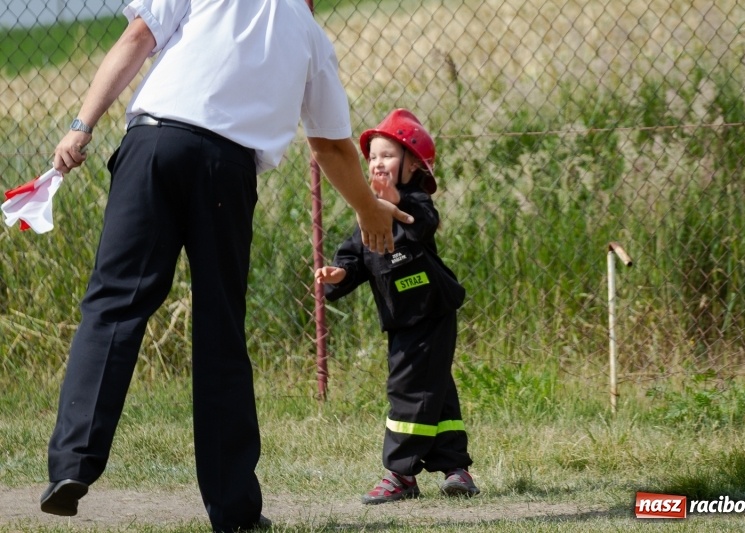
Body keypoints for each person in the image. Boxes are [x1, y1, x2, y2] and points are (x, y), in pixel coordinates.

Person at [40, 1, 412, 531]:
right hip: (225, 168)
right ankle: (234, 511)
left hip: (153, 146)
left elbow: (136, 39)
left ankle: (72, 466)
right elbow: (331, 145)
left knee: (113, 306)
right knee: (220, 333)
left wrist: (82, 125)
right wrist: (366, 207)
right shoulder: (310, 37)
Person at [315, 109, 480, 504]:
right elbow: (355, 255)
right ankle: (456, 468)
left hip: (432, 311)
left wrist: (395, 201)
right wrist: (340, 273)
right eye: (372, 157)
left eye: (387, 155)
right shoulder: (366, 215)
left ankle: (400, 473)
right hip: (402, 320)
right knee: (434, 389)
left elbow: (423, 222)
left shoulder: (416, 203)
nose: (377, 163)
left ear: (413, 165)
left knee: (408, 388)